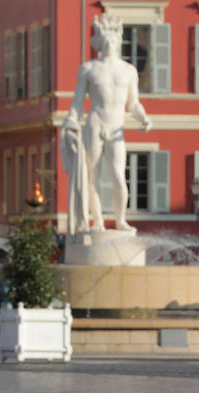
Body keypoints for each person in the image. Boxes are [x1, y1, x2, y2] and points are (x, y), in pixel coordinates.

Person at [60, 15, 152, 234]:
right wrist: (70, 124)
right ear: (100, 43)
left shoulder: (128, 70)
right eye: (107, 40)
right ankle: (98, 222)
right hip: (95, 123)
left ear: (119, 42)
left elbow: (134, 103)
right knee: (91, 174)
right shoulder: (88, 69)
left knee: (119, 177)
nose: (111, 44)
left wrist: (144, 118)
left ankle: (120, 220)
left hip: (116, 126)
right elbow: (77, 103)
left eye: (114, 40)